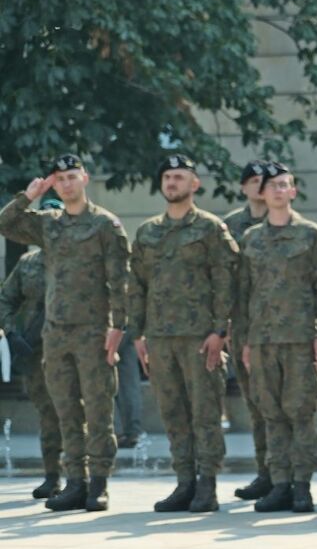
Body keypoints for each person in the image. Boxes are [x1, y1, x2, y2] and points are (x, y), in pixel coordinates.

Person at [0, 154, 129, 512]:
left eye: (72, 177)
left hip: (93, 332)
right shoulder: (48, 224)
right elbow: (5, 223)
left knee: (99, 410)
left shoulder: (106, 224)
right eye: (60, 179)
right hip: (55, 334)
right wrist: (29, 195)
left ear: (85, 178)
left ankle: (99, 483)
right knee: (66, 410)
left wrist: (118, 328)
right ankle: (75, 482)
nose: (66, 184)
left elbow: (120, 281)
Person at [129, 154, 238, 513]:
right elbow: (137, 285)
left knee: (205, 412)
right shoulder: (147, 232)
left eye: (179, 177)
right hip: (160, 337)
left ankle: (207, 486)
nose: (172, 182)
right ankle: (184, 482)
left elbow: (226, 282)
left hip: (199, 337)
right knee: (173, 413)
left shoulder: (210, 229)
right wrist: (139, 333)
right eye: (167, 177)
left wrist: (220, 330)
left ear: (195, 184)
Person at [237, 163, 317, 513]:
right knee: (271, 413)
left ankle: (302, 486)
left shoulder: (310, 235)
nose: (279, 191)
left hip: (299, 340)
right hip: (262, 340)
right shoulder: (251, 239)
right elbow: (244, 293)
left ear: (293, 191)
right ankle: (279, 483)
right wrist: (246, 341)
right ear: (262, 194)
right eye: (272, 186)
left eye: (285, 185)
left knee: (300, 413)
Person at [0, 225, 62, 500]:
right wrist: (12, 333)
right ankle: (52, 476)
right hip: (36, 353)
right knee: (48, 415)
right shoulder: (27, 264)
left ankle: (84, 478)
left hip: (76, 349)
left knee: (79, 414)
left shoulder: (78, 259)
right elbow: (6, 300)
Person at [225, 160, 272, 501]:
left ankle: (291, 474)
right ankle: (265, 472)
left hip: (285, 327)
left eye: (265, 181)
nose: (259, 186)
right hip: (243, 327)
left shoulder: (287, 222)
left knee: (284, 404)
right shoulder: (230, 226)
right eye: (253, 181)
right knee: (255, 403)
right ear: (243, 187)